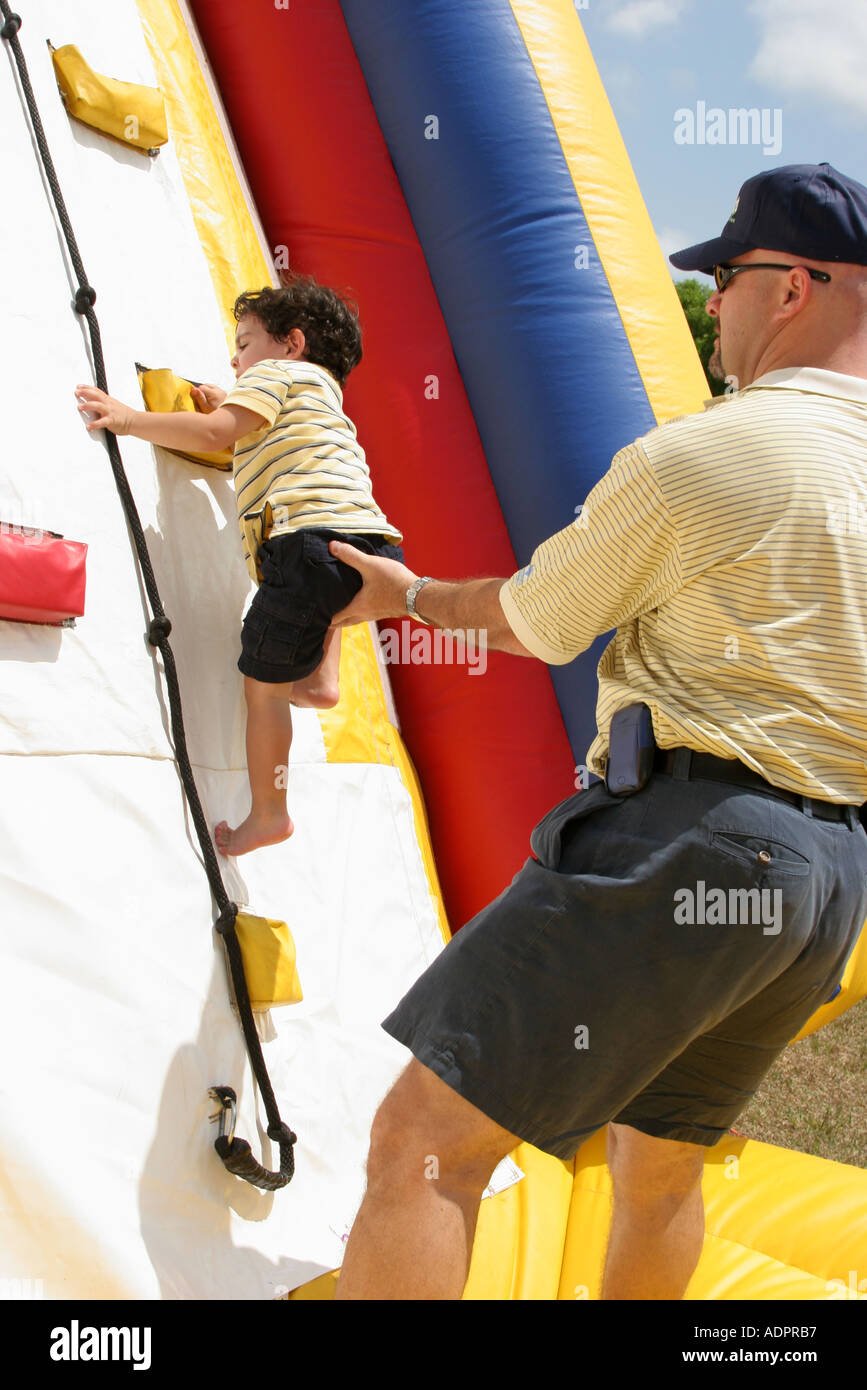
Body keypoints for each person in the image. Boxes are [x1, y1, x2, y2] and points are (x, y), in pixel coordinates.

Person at [322, 162, 867, 1300]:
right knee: (659, 1169)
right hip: (825, 884)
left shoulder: (710, 453)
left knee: (421, 1147)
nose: (713, 297)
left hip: (693, 836)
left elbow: (537, 618)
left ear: (801, 287)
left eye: (730, 272)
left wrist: (406, 594)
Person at [76, 277, 402, 855]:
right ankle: (323, 679)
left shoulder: (274, 376)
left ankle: (270, 811)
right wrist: (225, 397)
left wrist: (128, 419)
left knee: (264, 689)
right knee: (322, 600)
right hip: (371, 548)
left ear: (291, 343)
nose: (236, 357)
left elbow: (217, 433)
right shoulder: (323, 399)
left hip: (305, 545)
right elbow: (246, 446)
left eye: (246, 343)